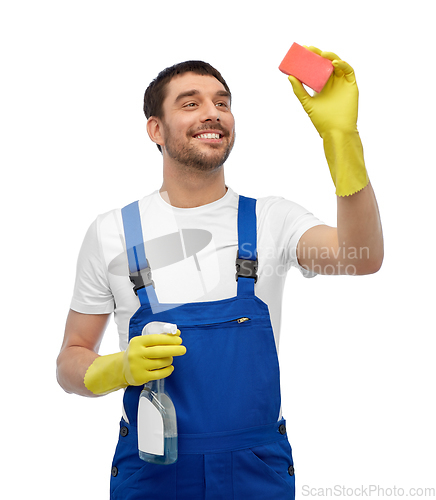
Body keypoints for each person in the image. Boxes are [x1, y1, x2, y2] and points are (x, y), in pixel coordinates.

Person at [56, 47, 384, 500]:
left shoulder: (273, 219)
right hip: (152, 469)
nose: (212, 112)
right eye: (190, 103)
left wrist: (344, 143)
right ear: (156, 129)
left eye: (222, 102)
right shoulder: (112, 232)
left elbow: (359, 256)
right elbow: (70, 360)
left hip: (256, 471)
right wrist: (116, 369)